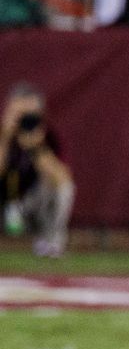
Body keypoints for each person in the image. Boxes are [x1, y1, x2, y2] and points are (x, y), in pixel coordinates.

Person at [0, 84, 75, 257]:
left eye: (29, 115)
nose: (23, 120)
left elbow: (62, 180)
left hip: (31, 204)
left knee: (64, 188)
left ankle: (51, 243)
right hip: (5, 203)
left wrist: (36, 148)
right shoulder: (3, 132)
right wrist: (5, 138)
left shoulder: (47, 135)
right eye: (19, 114)